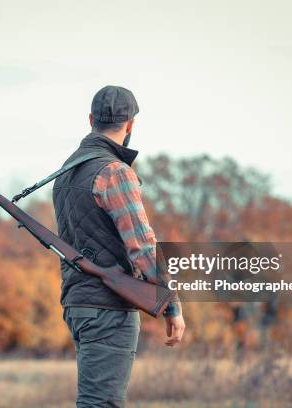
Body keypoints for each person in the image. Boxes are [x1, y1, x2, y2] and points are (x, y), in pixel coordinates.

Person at [52, 85, 186, 407]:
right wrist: (172, 305)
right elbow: (143, 247)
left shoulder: (66, 173)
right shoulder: (115, 172)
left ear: (90, 120)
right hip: (108, 309)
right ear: (130, 125)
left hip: (78, 304)